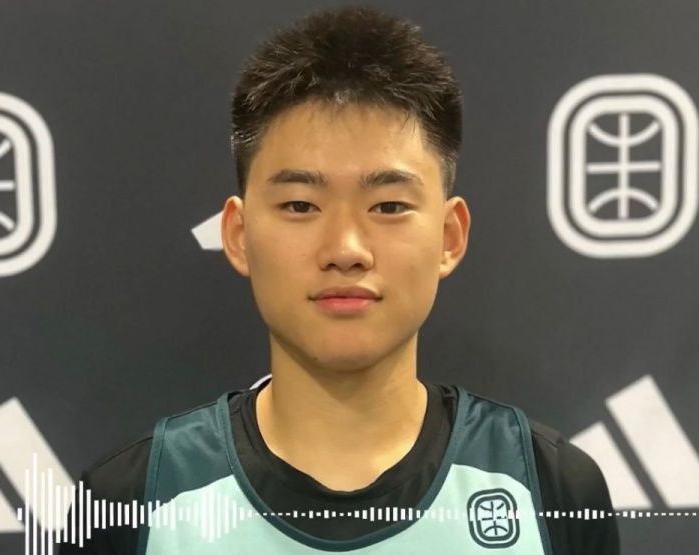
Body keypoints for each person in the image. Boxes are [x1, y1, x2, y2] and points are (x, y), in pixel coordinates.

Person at [58, 6, 619, 554]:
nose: (346, 250)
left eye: (389, 206)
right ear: (239, 234)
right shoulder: (130, 503)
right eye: (300, 205)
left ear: (449, 236)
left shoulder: (549, 489)